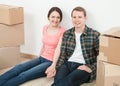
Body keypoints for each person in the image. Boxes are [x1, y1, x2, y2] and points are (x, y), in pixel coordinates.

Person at [0, 7, 65, 86]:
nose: (55, 19)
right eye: (53, 17)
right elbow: (44, 44)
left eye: (58, 17)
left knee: (24, 75)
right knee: (18, 68)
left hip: (51, 61)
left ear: (60, 19)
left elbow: (59, 49)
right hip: (42, 58)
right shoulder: (45, 28)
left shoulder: (63, 31)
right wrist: (38, 58)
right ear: (49, 17)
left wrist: (53, 65)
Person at [47, 6, 100, 86]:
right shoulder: (67, 34)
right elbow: (63, 55)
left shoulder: (94, 35)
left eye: (80, 17)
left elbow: (101, 57)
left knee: (69, 80)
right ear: (71, 18)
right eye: (74, 17)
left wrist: (91, 68)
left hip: (83, 65)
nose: (76, 20)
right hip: (67, 64)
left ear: (85, 18)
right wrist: (56, 68)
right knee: (58, 79)